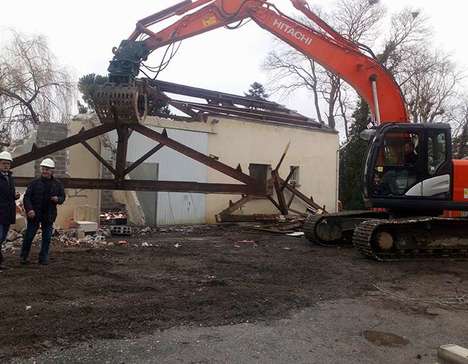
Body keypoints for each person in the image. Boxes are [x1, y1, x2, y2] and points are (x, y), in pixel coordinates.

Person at [20, 158, 65, 265]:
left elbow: (63, 197)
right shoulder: (34, 183)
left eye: (47, 169)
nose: (45, 171)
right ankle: (23, 257)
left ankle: (43, 258)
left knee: (47, 238)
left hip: (49, 215)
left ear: (52, 170)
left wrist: (58, 199)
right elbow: (27, 198)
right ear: (41, 169)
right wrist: (30, 210)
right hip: (35, 214)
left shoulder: (57, 184)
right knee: (29, 236)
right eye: (44, 169)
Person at [0, 151, 20, 269]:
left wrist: (14, 196)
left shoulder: (10, 178)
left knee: (2, 238)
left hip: (7, 213)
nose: (6, 165)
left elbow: (7, 195)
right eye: (3, 163)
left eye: (8, 163)